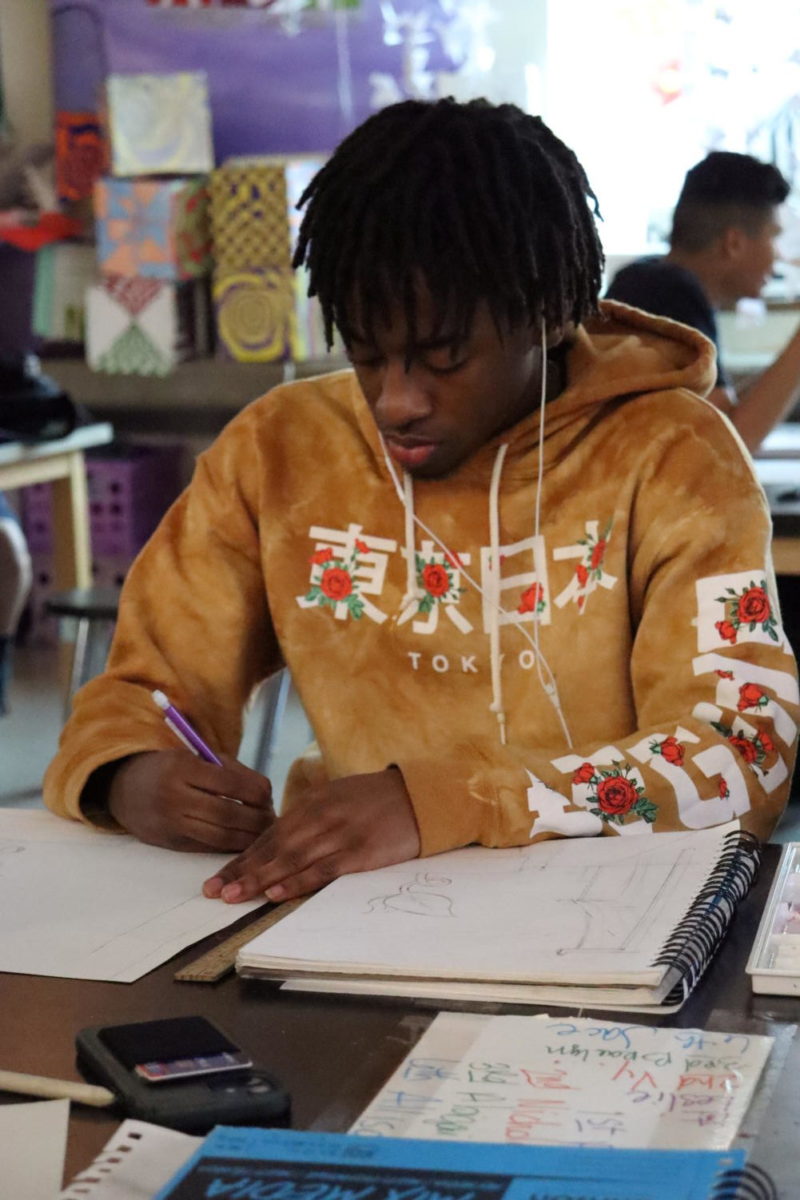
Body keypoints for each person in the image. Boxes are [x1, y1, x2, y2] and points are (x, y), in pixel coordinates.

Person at [44, 99, 799, 906]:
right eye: (368, 356)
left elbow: (742, 750)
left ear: (547, 312)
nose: (397, 401)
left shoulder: (672, 453)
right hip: (347, 918)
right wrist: (132, 774)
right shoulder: (282, 450)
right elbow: (144, 687)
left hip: (607, 925)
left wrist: (444, 801)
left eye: (443, 358)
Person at [605, 150, 800, 453]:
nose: (779, 257)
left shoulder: (648, 281)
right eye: (773, 238)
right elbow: (730, 443)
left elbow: (724, 412)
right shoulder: (669, 292)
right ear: (734, 243)